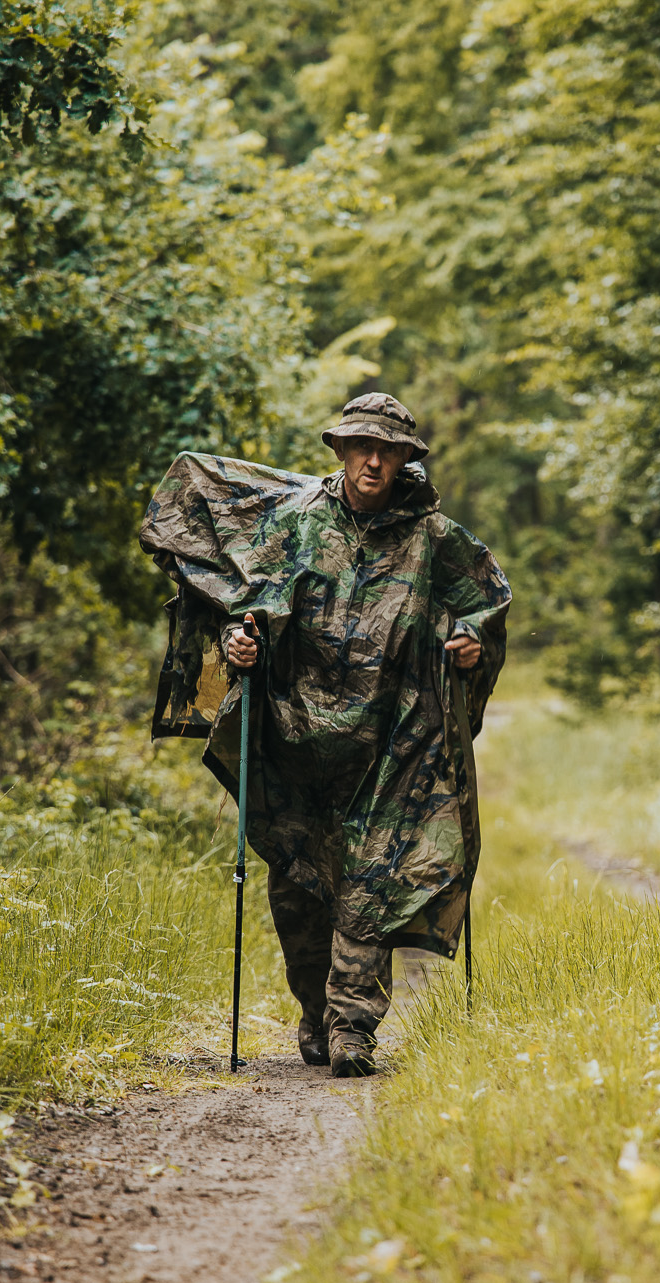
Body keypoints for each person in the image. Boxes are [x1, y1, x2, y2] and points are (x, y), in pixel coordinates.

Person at [139, 392, 509, 1077]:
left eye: (389, 451)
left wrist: (469, 645)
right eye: (362, 447)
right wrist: (240, 645)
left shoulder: (435, 539)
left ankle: (353, 1027)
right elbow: (248, 605)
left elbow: (486, 604)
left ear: (405, 459)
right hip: (295, 737)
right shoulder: (295, 520)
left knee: (371, 884)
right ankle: (314, 1010)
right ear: (339, 450)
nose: (374, 462)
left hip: (394, 744)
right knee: (299, 892)